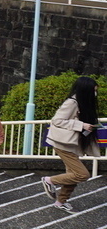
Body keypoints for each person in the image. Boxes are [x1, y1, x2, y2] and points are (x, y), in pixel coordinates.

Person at [41, 77, 102, 212]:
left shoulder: (82, 102)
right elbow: (57, 120)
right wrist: (81, 125)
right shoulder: (72, 102)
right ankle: (49, 180)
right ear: (86, 90)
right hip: (63, 144)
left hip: (71, 144)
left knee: (72, 175)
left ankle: (60, 202)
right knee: (82, 174)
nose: (95, 94)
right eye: (94, 91)